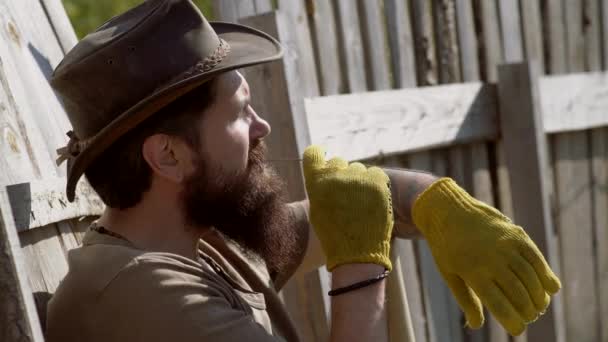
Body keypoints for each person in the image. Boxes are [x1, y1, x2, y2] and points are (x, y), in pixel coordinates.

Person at [46, 1, 561, 341]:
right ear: (169, 157)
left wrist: (433, 202)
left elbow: (358, 206)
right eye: (240, 111)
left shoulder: (198, 248)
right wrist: (360, 266)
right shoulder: (140, 295)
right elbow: (351, 231)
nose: (261, 126)